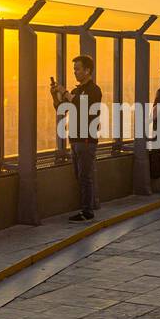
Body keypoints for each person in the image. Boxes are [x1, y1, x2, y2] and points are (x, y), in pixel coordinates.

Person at [50, 54, 102, 223]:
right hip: (74, 139)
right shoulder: (76, 91)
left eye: (78, 69)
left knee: (85, 176)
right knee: (80, 176)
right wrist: (55, 95)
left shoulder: (94, 90)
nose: (75, 72)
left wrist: (65, 92)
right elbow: (61, 109)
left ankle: (87, 211)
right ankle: (89, 205)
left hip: (87, 140)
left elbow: (82, 104)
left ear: (87, 70)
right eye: (74, 69)